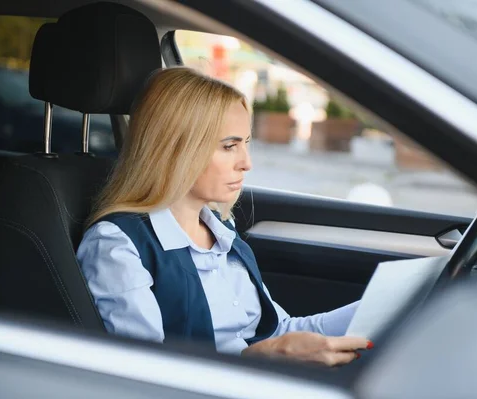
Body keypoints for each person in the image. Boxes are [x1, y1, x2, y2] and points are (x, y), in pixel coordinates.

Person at [77, 67, 371, 367]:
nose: (247, 163)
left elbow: (276, 333)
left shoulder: (220, 232)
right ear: (176, 149)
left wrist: (376, 310)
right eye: (229, 146)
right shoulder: (117, 247)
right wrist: (262, 356)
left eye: (246, 143)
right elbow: (146, 374)